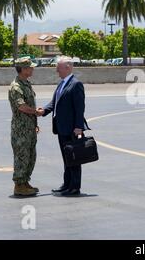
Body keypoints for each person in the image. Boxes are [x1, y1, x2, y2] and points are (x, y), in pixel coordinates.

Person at [38, 56, 88, 196]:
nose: (56, 71)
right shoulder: (62, 83)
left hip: (72, 128)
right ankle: (66, 184)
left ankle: (75, 187)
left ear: (67, 67)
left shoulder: (76, 84)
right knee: (66, 158)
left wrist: (78, 126)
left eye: (58, 68)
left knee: (74, 158)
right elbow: (55, 102)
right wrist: (44, 111)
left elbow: (80, 108)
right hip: (61, 128)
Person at [8, 57, 41, 196]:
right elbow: (21, 107)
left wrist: (34, 122)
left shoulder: (26, 84)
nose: (32, 69)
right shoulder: (16, 87)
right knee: (22, 156)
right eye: (30, 67)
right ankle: (19, 185)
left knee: (30, 156)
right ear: (23, 69)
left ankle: (25, 182)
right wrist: (36, 112)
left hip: (29, 127)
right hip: (21, 129)